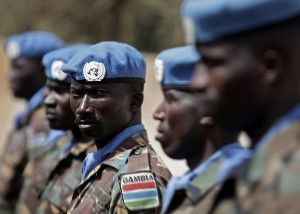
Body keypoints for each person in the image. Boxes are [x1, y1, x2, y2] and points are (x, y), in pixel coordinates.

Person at [181, 0, 300, 213]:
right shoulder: (266, 165)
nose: (196, 82)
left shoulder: (288, 182)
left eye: (211, 63)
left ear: (270, 67)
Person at [61, 41, 172, 213]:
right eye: (77, 93)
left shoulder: (136, 180)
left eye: (98, 94)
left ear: (134, 101)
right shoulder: (103, 161)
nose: (83, 107)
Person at [152, 45, 252, 214]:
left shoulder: (238, 192)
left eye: (170, 100)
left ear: (207, 109)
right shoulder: (190, 186)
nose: (158, 113)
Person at [15, 44, 94, 213]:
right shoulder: (58, 146)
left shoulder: (95, 163)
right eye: (48, 89)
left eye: (59, 91)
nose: (48, 100)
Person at [0, 31, 64, 213]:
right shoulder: (31, 115)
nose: (10, 75)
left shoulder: (48, 120)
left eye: (18, 67)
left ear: (44, 70)